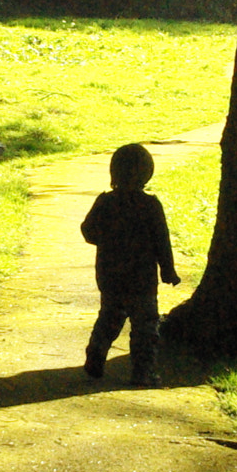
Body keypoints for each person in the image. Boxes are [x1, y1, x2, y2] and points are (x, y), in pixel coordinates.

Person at [81, 142, 180, 383]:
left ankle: (96, 352)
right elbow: (161, 241)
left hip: (110, 274)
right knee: (145, 325)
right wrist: (168, 270)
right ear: (147, 174)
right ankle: (143, 371)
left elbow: (88, 231)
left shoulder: (105, 202)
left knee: (110, 316)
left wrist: (107, 241)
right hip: (142, 277)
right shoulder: (150, 205)